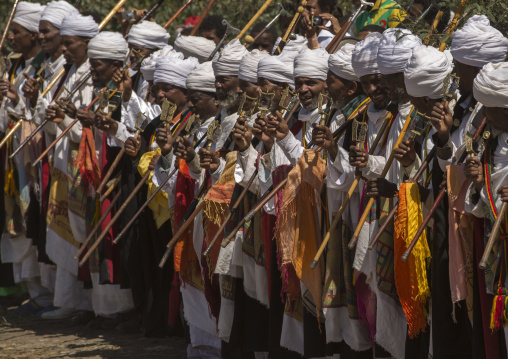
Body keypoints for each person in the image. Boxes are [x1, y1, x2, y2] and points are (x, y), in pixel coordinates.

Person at [41, 13, 98, 320]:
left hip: (82, 163)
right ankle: (68, 300)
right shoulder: (68, 71)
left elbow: (86, 129)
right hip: (62, 161)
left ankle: (87, 303)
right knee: (65, 230)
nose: (63, 49)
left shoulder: (94, 75)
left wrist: (64, 119)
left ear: (86, 43)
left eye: (69, 43)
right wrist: (51, 114)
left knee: (83, 229)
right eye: (62, 43)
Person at [0, 1, 49, 316]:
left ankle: (46, 294)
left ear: (33, 35)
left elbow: (38, 111)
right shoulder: (16, 64)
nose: (11, 38)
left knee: (35, 219)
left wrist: (19, 99)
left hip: (35, 154)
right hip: (15, 155)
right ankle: (32, 292)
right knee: (15, 220)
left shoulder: (45, 67)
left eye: (16, 32)